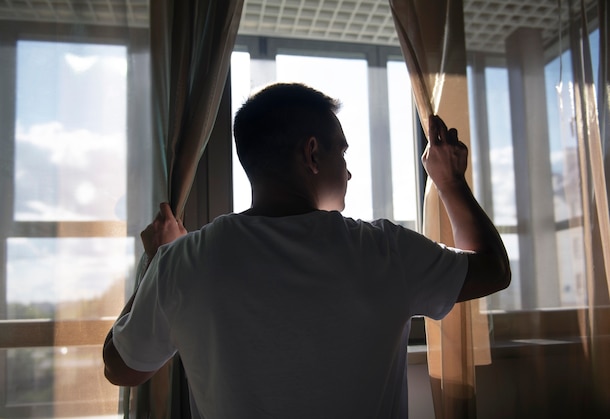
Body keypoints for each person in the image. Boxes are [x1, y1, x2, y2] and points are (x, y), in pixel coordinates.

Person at [103, 83, 510, 418]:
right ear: (312, 154)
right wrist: (450, 183)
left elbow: (120, 367)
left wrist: (158, 261)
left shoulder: (185, 261)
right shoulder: (385, 251)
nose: (348, 170)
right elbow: (494, 268)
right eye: (343, 151)